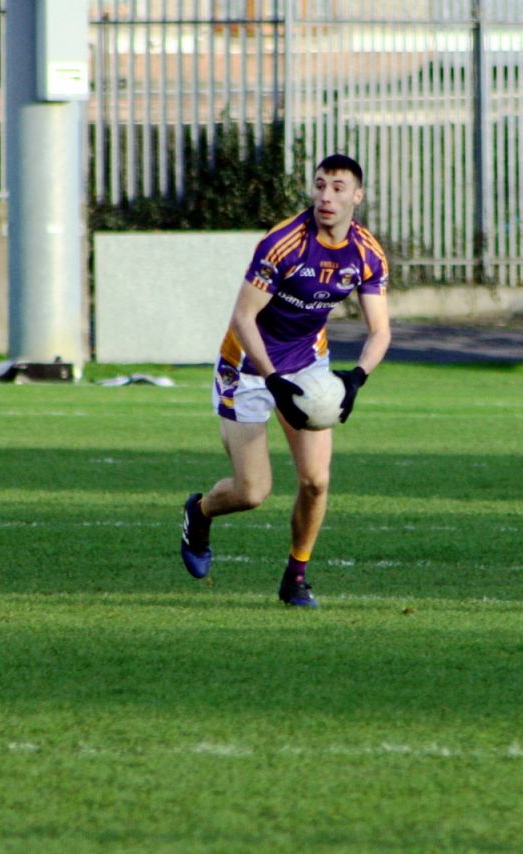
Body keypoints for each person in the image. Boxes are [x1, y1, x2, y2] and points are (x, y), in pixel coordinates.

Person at [180, 154, 391, 608]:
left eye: (337, 187)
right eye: (319, 186)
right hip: (248, 368)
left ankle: (295, 578)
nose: (326, 196)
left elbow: (381, 330)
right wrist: (273, 381)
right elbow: (243, 318)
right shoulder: (284, 244)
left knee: (316, 481)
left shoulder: (367, 253)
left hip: (309, 363)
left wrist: (355, 379)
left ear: (358, 196)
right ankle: (199, 513)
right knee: (252, 493)